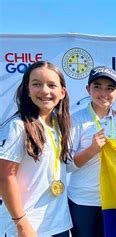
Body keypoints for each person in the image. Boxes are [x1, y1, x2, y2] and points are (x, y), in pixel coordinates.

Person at [0, 61, 72, 236]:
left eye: (52, 85)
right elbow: (4, 177)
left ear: (62, 92)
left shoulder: (60, 124)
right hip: (26, 227)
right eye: (37, 84)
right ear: (27, 90)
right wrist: (22, 225)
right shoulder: (17, 126)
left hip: (59, 225)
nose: (45, 91)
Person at [68, 66, 116, 236]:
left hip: (114, 200)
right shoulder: (76, 120)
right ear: (88, 89)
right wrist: (92, 149)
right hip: (84, 201)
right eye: (97, 86)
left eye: (110, 88)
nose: (103, 93)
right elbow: (67, 165)